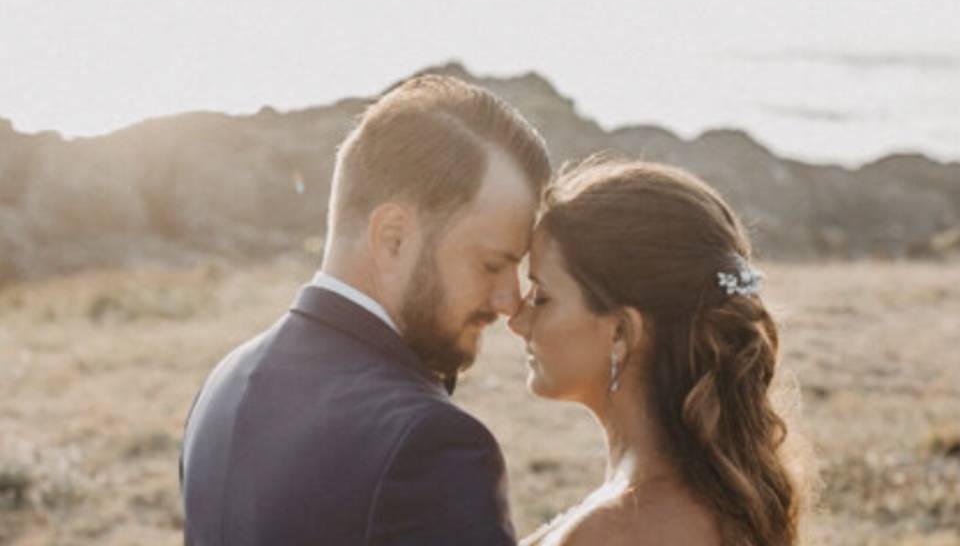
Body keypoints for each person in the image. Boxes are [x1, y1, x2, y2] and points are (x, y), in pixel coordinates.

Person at [180, 74, 552, 545]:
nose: (508, 301)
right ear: (393, 237)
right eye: (492, 264)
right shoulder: (430, 444)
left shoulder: (225, 380)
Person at [508, 156, 806, 546]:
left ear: (622, 332)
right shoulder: (713, 498)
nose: (517, 321)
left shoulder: (616, 533)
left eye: (542, 297)